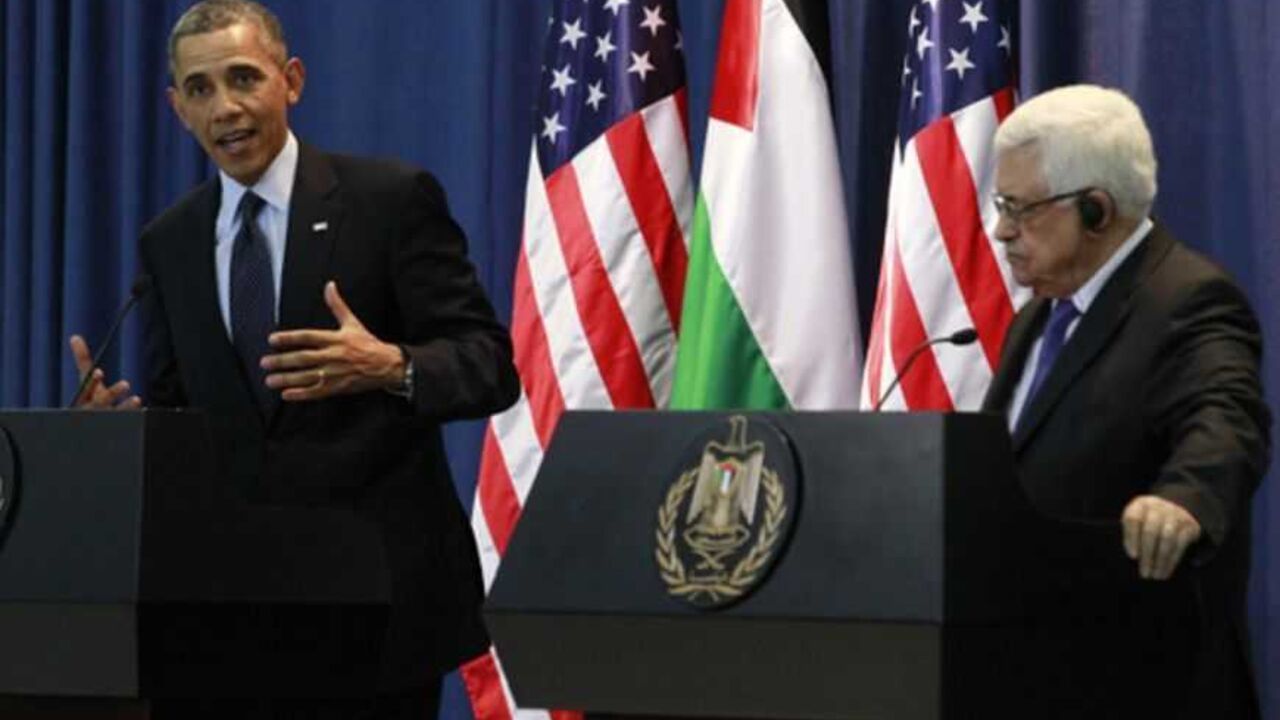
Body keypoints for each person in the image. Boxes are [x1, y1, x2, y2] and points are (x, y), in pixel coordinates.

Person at [69, 1, 519, 717]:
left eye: (244, 78)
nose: (226, 108)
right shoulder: (172, 241)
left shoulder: (388, 201)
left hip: (376, 609)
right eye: (200, 88)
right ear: (176, 107)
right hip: (224, 612)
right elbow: (183, 412)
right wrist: (118, 432)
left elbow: (490, 365)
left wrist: (392, 365)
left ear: (293, 81)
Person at [982, 84, 1269, 718]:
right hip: (1026, 671)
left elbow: (1226, 417)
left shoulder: (1190, 301)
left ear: (1095, 209)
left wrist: (1184, 499)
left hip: (1143, 682)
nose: (1002, 230)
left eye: (1019, 208)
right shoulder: (1037, 318)